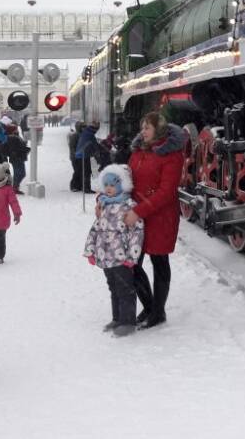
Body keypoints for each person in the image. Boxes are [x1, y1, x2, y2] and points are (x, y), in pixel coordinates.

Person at [125, 112, 185, 328]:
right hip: (139, 215)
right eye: (142, 127)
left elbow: (167, 191)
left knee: (159, 261)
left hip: (161, 216)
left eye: (147, 127)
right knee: (132, 263)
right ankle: (150, 307)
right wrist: (105, 198)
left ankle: (158, 312)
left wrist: (139, 211)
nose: (143, 131)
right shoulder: (138, 151)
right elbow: (125, 179)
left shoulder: (171, 154)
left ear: (158, 129)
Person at [85, 164, 143, 337]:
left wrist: (132, 257)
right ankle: (117, 318)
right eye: (107, 185)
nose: (109, 188)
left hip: (122, 257)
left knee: (125, 288)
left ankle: (128, 322)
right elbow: (96, 228)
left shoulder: (129, 206)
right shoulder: (103, 204)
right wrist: (91, 250)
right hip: (105, 255)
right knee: (113, 288)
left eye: (113, 184)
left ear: (122, 185)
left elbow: (136, 233)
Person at [3, 124, 30, 195]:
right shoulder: (12, 137)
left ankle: (15, 187)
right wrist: (25, 148)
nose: (17, 129)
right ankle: (15, 187)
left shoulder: (15, 136)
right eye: (15, 129)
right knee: (20, 173)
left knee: (19, 173)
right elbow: (15, 148)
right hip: (17, 158)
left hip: (18, 158)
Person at [75, 121, 101, 194]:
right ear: (95, 129)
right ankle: (87, 189)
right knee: (87, 172)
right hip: (83, 155)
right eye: (97, 129)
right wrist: (98, 155)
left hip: (79, 155)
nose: (97, 131)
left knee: (82, 171)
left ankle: (81, 186)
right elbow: (95, 146)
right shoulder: (90, 135)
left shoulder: (86, 132)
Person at [68, 121, 85, 192]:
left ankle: (79, 185)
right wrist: (74, 155)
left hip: (80, 156)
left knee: (81, 171)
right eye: (82, 127)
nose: (84, 128)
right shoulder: (75, 136)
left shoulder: (82, 135)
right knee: (77, 171)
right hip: (75, 157)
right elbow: (72, 147)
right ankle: (73, 185)